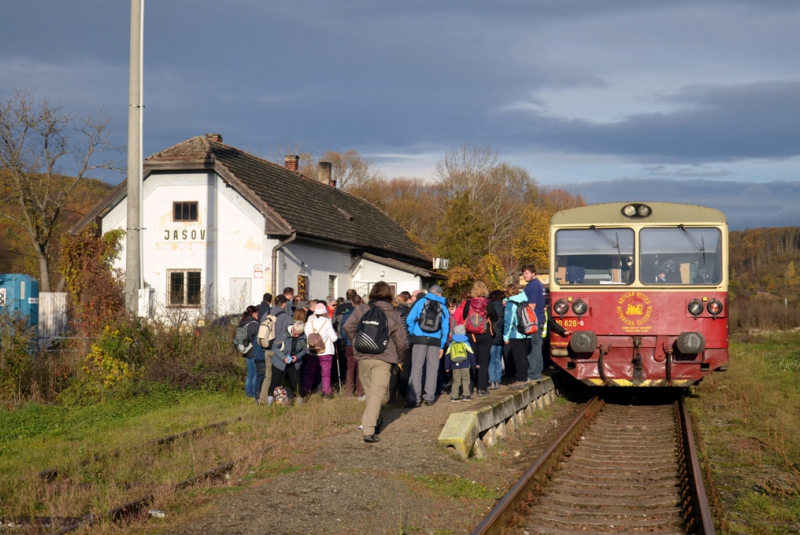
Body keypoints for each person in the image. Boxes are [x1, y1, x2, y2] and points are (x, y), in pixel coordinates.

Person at [343, 281, 407, 443]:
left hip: (363, 357)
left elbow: (347, 327)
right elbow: (401, 340)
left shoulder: (361, 309)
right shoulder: (393, 313)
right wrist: (400, 358)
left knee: (372, 394)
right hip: (384, 358)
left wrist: (357, 342)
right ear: (389, 295)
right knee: (377, 395)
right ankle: (369, 431)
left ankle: (376, 420)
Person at [405, 284, 450, 407]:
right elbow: (446, 328)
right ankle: (429, 398)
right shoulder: (443, 307)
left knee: (416, 369)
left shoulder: (420, 302)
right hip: (435, 341)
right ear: (440, 294)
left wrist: (414, 331)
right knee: (432, 369)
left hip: (419, 339)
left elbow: (409, 319)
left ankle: (415, 398)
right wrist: (442, 345)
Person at [461, 282, 493, 396]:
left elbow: (464, 316)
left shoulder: (468, 303)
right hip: (485, 334)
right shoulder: (488, 303)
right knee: (483, 361)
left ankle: (469, 387)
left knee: (471, 360)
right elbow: (494, 316)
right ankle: (482, 389)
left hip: (471, 334)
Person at [304, 302, 338, 399]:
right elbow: (334, 338)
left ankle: (306, 391)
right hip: (325, 351)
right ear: (324, 313)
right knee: (325, 372)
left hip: (312, 350)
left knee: (310, 372)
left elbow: (306, 335)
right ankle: (326, 393)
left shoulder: (310, 322)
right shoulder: (327, 322)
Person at [269, 321, 307, 404]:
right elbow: (274, 347)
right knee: (275, 381)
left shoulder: (304, 336)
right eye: (295, 333)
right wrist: (283, 358)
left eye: (298, 335)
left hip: (294, 361)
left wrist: (297, 357)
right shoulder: (283, 334)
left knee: (297, 382)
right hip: (279, 361)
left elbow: (305, 350)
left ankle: (299, 401)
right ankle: (270, 401)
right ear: (292, 328)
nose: (296, 336)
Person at [522, 264, 547, 382]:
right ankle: (537, 371)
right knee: (537, 346)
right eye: (523, 273)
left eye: (527, 273)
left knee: (533, 348)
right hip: (539, 319)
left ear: (533, 273)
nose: (524, 275)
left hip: (533, 321)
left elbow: (531, 305)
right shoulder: (540, 285)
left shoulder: (533, 286)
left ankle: (534, 374)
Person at [503, 284, 531, 386]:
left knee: (518, 357)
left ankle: (521, 378)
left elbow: (508, 322)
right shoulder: (524, 301)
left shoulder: (511, 304)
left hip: (516, 333)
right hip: (526, 332)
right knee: (524, 356)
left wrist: (505, 336)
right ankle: (525, 376)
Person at [339, 294, 365, 398]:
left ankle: (349, 393)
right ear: (361, 302)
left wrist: (348, 341)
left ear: (352, 303)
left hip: (349, 344)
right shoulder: (365, 314)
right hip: (361, 344)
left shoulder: (346, 315)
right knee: (360, 369)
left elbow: (343, 330)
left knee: (350, 368)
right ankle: (360, 393)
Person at [389, 291, 413, 404]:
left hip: (393, 344)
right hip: (406, 343)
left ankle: (392, 395)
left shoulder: (391, 312)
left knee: (393, 371)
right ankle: (403, 395)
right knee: (405, 370)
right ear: (406, 300)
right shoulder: (409, 311)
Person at [238, 305, 266, 400]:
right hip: (253, 351)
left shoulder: (243, 322)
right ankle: (254, 394)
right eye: (257, 313)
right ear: (253, 313)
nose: (258, 315)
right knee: (255, 374)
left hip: (246, 351)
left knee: (250, 374)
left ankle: (248, 393)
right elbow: (257, 339)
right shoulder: (254, 324)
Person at [445, 325, 476, 402]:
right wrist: (474, 364)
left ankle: (454, 396)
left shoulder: (451, 344)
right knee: (465, 380)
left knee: (456, 381)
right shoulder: (466, 343)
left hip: (454, 365)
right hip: (465, 364)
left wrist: (447, 367)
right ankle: (466, 395)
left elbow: (447, 356)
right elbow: (471, 354)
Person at [487, 289, 505, 390]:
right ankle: (498, 381)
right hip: (501, 337)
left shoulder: (489, 307)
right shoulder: (504, 308)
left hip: (491, 336)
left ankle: (492, 381)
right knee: (498, 359)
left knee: (491, 359)